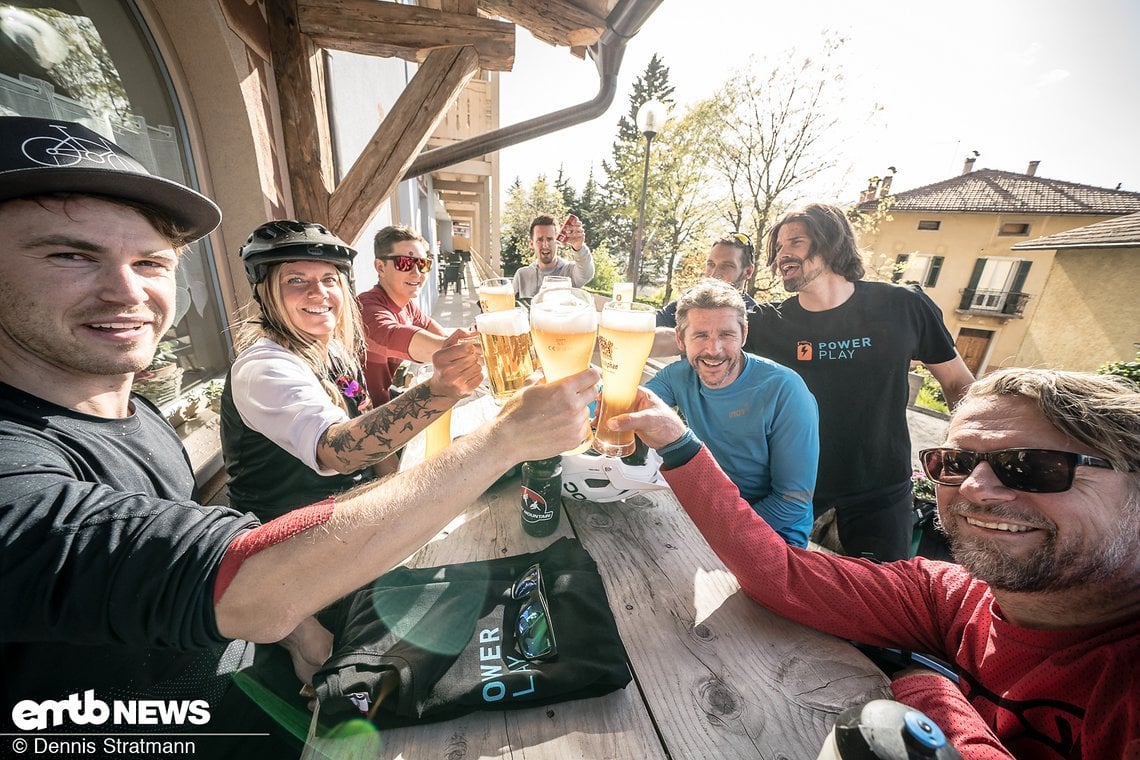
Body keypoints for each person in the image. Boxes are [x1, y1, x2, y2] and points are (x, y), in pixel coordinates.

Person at [0, 115, 599, 756]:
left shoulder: (140, 416)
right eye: (69, 254)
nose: (126, 290)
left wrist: (294, 629)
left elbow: (186, 573)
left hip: (244, 655)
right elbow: (329, 463)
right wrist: (502, 438)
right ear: (264, 295)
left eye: (149, 261)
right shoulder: (21, 464)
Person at [611, 367, 1139, 759]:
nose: (976, 488)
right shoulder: (956, 595)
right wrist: (677, 444)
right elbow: (782, 575)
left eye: (1032, 466)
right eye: (953, 463)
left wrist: (930, 694)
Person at [747, 203, 974, 561]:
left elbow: (958, 382)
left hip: (880, 491)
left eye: (795, 242)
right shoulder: (766, 321)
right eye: (777, 247)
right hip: (794, 486)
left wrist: (968, 458)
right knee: (759, 578)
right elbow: (700, 338)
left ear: (831, 243)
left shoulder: (902, 306)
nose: (781, 255)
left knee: (884, 599)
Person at [221, 220, 482, 521]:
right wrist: (439, 390)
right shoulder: (263, 368)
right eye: (296, 280)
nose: (318, 292)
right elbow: (340, 451)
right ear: (267, 292)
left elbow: (368, 427)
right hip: (288, 539)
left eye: (329, 279)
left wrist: (404, 493)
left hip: (351, 511)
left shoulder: (334, 352)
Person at [645, 279, 817, 547]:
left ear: (744, 335)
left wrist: (718, 533)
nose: (713, 350)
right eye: (700, 335)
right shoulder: (677, 377)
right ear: (680, 339)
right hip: (710, 517)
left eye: (726, 335)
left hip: (775, 535)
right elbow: (632, 406)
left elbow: (792, 502)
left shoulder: (784, 389)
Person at [358, 224, 450, 405]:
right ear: (380, 267)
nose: (416, 273)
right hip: (359, 417)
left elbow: (443, 338)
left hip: (383, 405)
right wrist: (466, 350)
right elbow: (390, 334)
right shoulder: (365, 307)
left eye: (422, 264)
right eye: (405, 263)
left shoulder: (407, 306)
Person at [656, 232, 759, 328]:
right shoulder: (684, 304)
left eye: (726, 266)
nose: (714, 274)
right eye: (711, 264)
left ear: (748, 272)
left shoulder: (757, 319)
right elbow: (651, 330)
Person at [512, 213, 594, 300]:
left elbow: (587, 273)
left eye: (550, 239)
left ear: (558, 240)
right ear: (532, 244)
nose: (545, 245)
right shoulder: (522, 275)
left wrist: (578, 247)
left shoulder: (569, 272)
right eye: (540, 240)